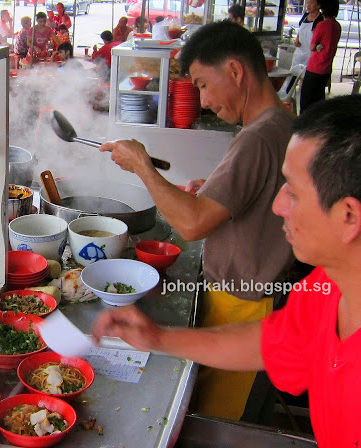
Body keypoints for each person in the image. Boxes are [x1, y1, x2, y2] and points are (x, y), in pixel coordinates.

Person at [93, 94, 361, 448]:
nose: (278, 206)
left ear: (349, 217)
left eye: (293, 192)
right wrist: (159, 338)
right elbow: (271, 343)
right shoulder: (329, 286)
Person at [98, 21, 295, 420]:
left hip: (244, 306)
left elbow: (192, 225)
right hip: (249, 300)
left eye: (203, 84)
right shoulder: (280, 123)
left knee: (217, 419)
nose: (202, 101)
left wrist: (141, 165)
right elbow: (258, 199)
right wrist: (218, 191)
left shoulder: (258, 137)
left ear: (236, 71)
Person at [300, 0, 341, 112]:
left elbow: (312, 47)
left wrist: (317, 46)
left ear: (322, 8)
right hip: (326, 68)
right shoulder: (337, 26)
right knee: (319, 102)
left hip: (314, 68)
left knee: (306, 102)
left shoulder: (322, 25)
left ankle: (303, 128)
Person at [291, 0, 324, 69]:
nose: (308, 5)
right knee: (294, 75)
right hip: (299, 53)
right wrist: (297, 40)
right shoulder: (305, 16)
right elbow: (300, 30)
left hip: (311, 55)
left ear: (318, 5)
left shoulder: (320, 19)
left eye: (311, 2)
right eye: (307, 2)